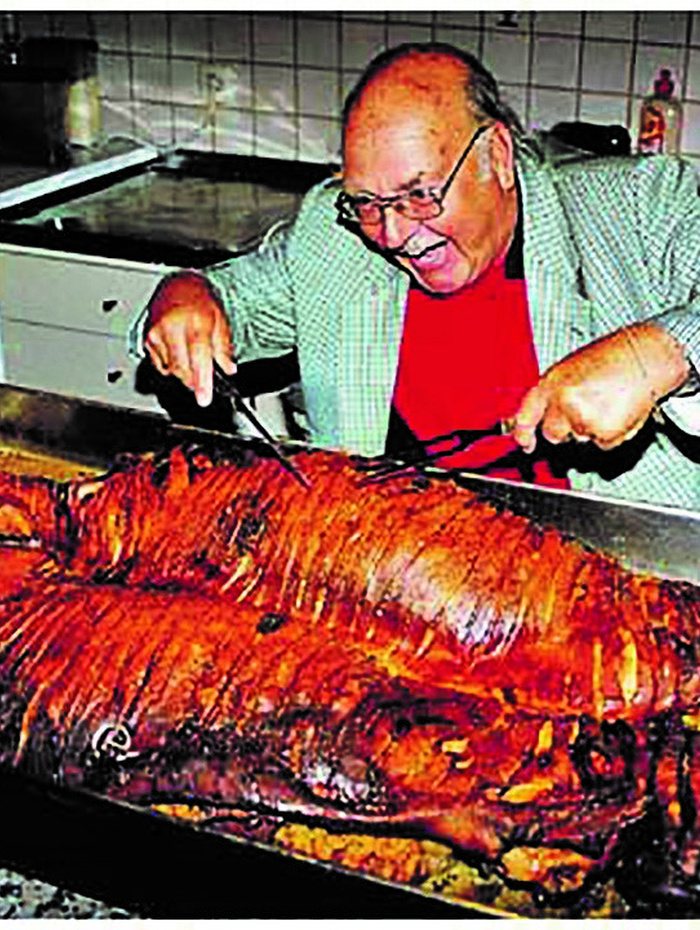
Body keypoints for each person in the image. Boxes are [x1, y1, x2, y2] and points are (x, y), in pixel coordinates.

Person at [133, 42, 700, 510]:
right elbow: (226, 301)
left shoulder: (640, 208)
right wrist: (186, 293)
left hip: (611, 577)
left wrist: (658, 353)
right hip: (400, 565)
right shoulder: (333, 237)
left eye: (421, 195)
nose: (395, 233)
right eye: (368, 204)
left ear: (498, 155)